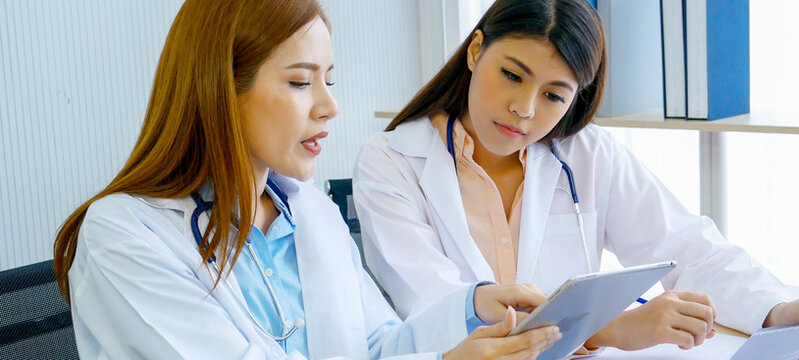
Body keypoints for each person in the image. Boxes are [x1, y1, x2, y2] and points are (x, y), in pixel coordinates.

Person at [51, 0, 562, 359]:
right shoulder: (121, 237)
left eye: (328, 79)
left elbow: (375, 346)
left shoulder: (311, 212)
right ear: (220, 89)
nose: (330, 105)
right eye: (300, 81)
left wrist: (472, 310)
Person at [354, 0, 799, 353]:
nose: (523, 110)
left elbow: (688, 248)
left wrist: (776, 310)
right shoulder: (391, 163)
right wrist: (606, 330)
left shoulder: (586, 153)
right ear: (475, 49)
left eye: (554, 95)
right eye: (512, 74)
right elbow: (439, 314)